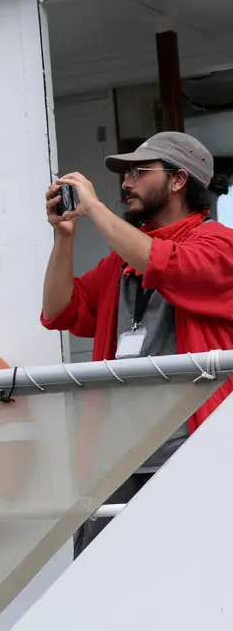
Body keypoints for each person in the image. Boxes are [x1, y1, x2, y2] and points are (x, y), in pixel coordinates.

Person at [40, 131, 233, 556]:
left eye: (139, 171)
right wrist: (64, 237)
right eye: (125, 173)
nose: (126, 182)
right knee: (99, 582)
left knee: (189, 577)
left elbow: (166, 265)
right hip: (117, 458)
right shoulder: (120, 260)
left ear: (179, 180)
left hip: (192, 455)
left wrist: (95, 209)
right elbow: (59, 311)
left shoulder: (220, 243)